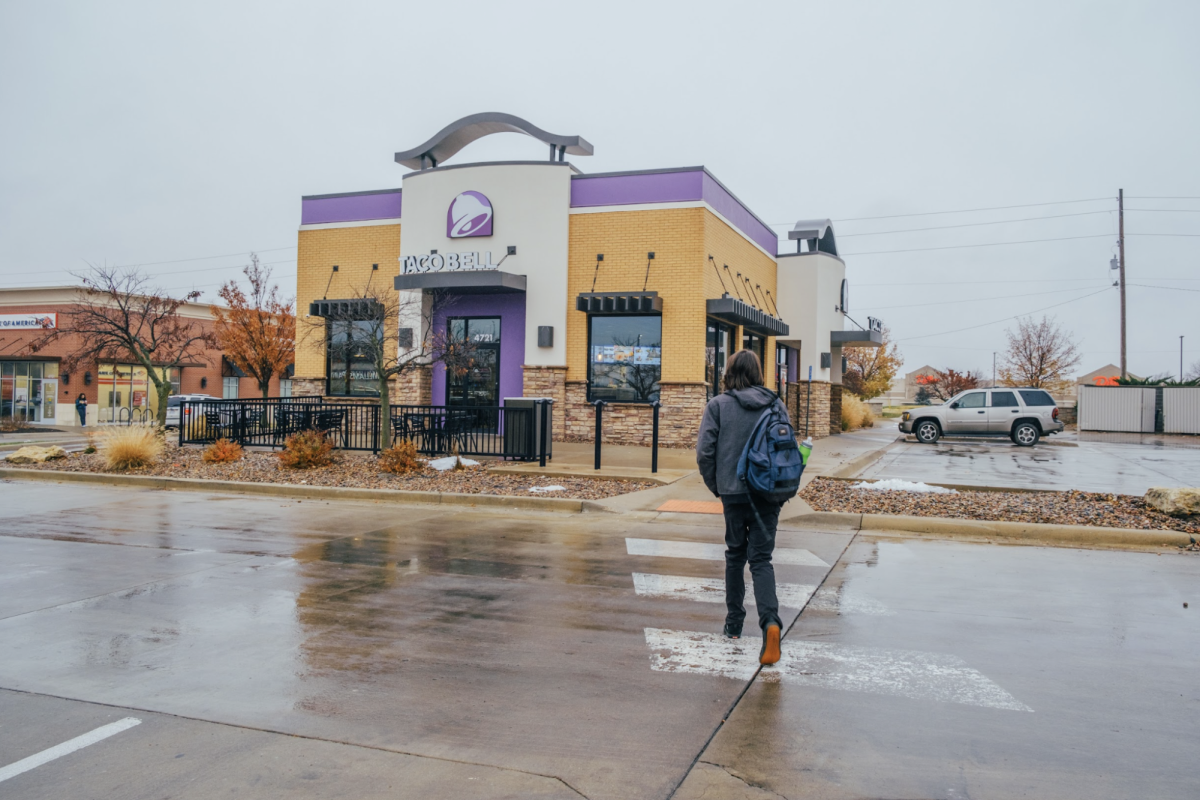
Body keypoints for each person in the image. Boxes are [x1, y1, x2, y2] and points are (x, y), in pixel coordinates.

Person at [696, 349, 787, 666]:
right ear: (759, 372)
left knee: (735, 555)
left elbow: (704, 452)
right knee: (761, 559)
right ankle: (771, 624)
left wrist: (717, 486)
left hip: (733, 494)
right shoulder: (775, 404)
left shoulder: (718, 406)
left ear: (730, 372)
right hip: (767, 495)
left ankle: (734, 624)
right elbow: (787, 450)